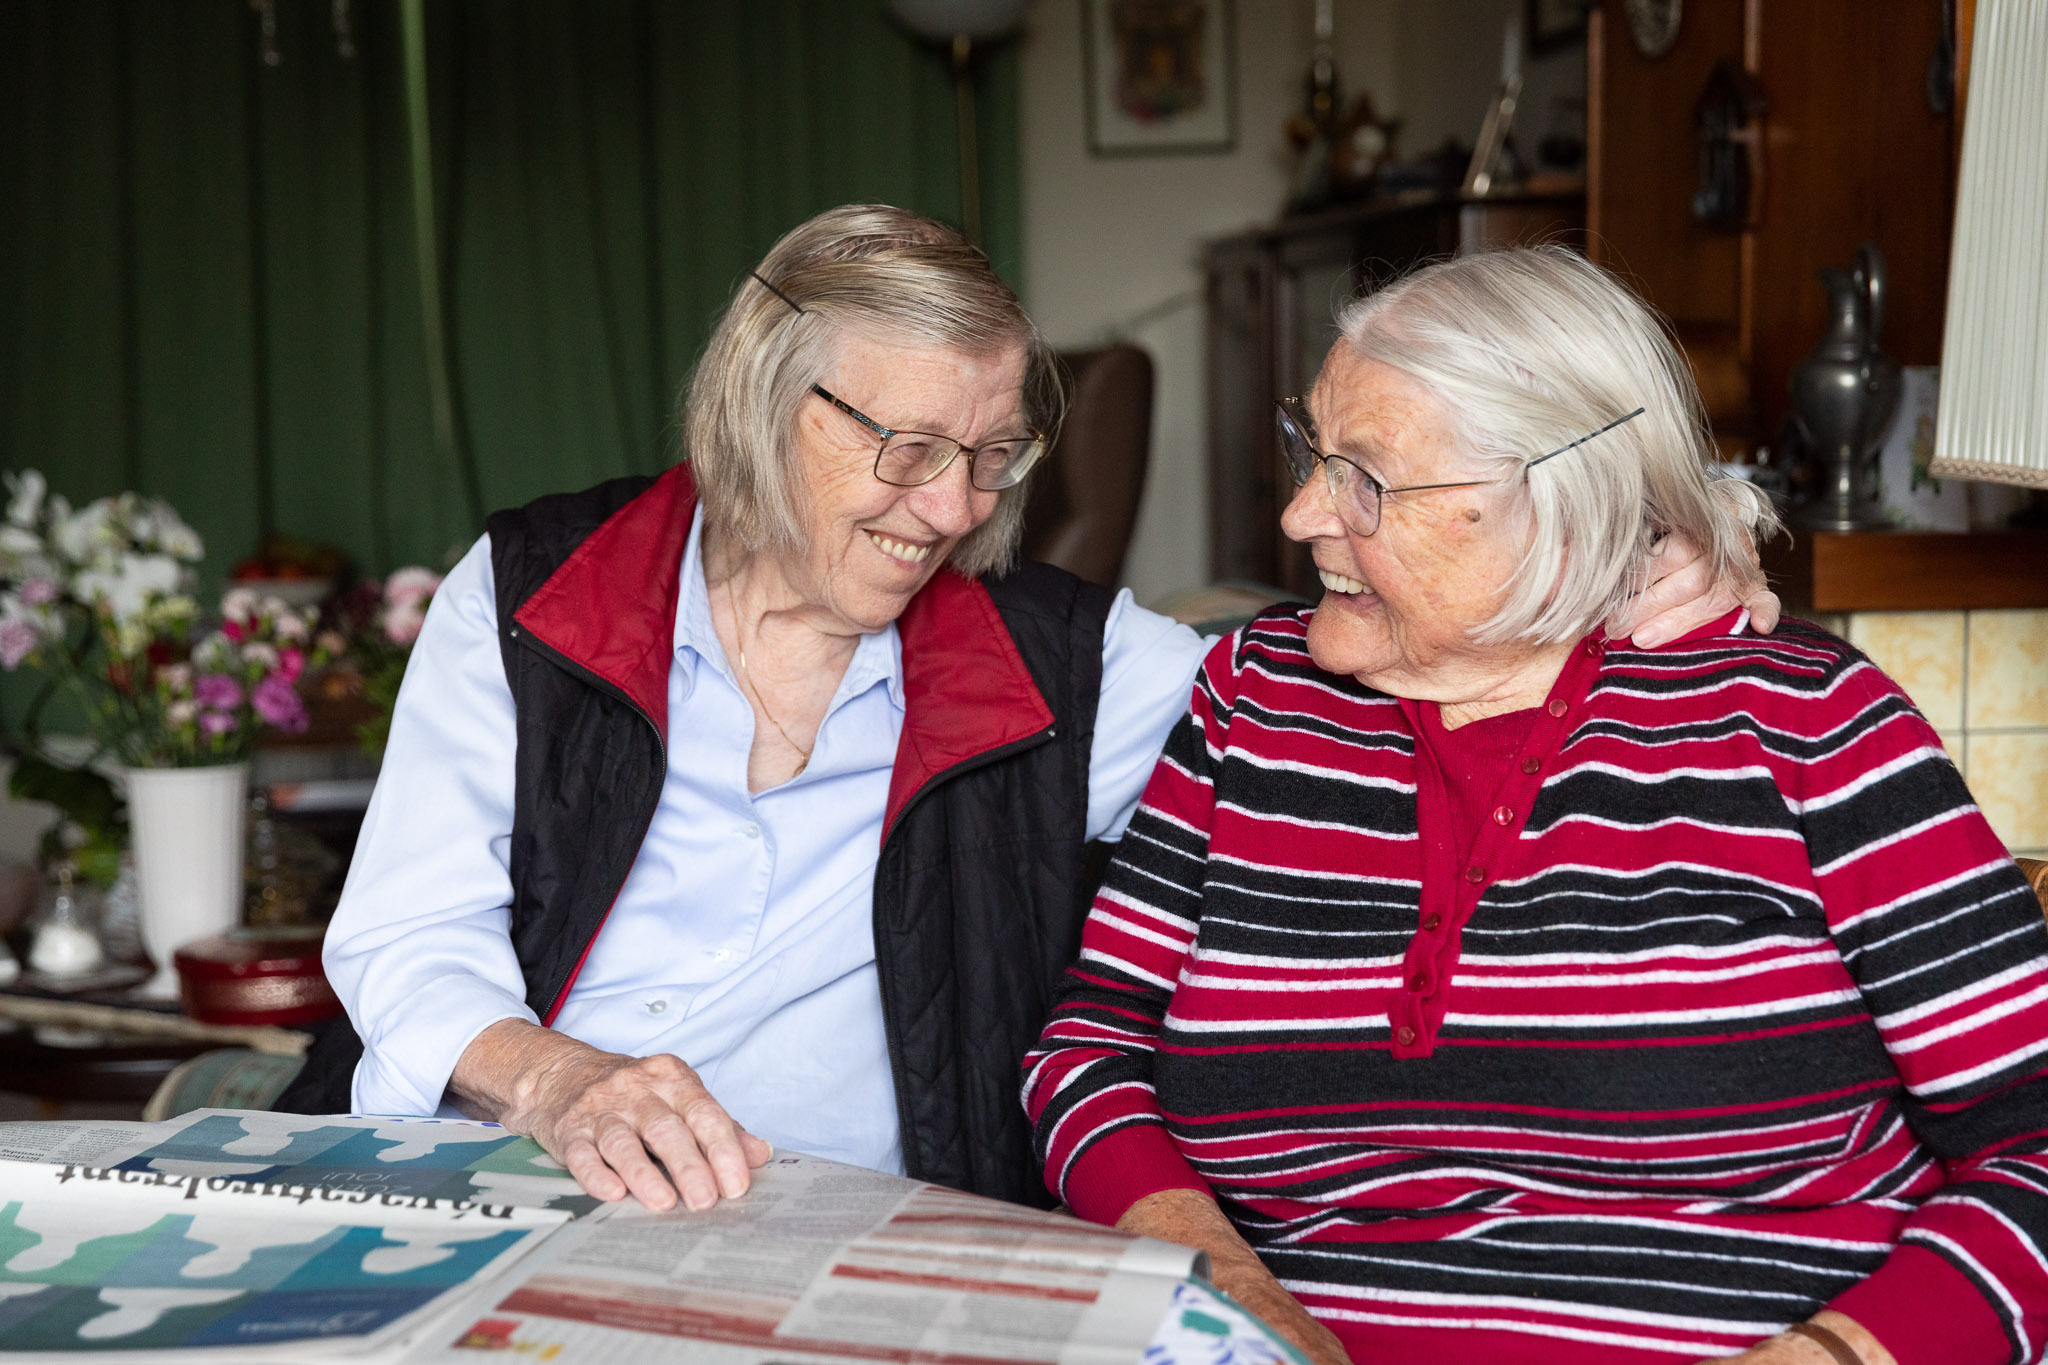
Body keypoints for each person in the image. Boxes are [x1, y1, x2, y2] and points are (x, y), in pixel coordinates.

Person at [291, 205, 1770, 1219]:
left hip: (827, 1245)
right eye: (911, 447)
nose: (950, 509)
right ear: (760, 399)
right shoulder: (546, 589)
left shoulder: (1064, 667)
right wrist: (563, 1082)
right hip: (489, 1193)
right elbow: (404, 937)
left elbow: (1413, 646)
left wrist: (1658, 527)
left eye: (993, 455)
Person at [1023, 246, 2048, 1365]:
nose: (1300, 515)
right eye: (1309, 451)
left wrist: (1831, 1358)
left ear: (1559, 500)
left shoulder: (1802, 722)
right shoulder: (1253, 699)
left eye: (1365, 477)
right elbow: (1088, 1051)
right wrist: (1238, 1303)